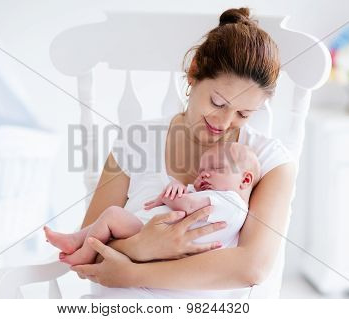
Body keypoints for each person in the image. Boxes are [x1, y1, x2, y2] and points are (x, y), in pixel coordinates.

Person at [70, 7, 296, 298]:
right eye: (217, 102)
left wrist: (134, 270)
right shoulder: (136, 140)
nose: (224, 123)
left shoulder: (270, 161)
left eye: (243, 113)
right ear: (193, 74)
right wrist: (143, 245)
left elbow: (251, 267)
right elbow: (88, 252)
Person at [44, 142, 260, 268]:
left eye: (217, 168)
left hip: (153, 232)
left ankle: (83, 253)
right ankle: (75, 240)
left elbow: (188, 206)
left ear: (245, 180)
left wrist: (170, 196)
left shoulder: (231, 202)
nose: (205, 173)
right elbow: (186, 199)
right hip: (152, 233)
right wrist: (177, 187)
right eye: (202, 169)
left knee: (111, 216)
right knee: (110, 219)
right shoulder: (211, 194)